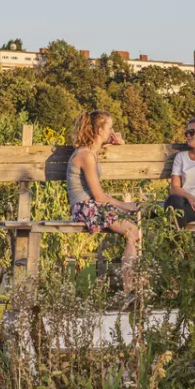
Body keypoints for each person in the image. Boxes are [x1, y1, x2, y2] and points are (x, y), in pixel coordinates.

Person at [67, 110, 139, 292]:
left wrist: (115, 141)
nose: (112, 130)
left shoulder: (90, 150)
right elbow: (99, 196)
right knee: (132, 230)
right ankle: (129, 289)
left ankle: (129, 287)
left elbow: (102, 142)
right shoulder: (86, 156)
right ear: (99, 130)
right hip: (85, 208)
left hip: (91, 207)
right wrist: (127, 205)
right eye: (109, 127)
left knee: (135, 229)